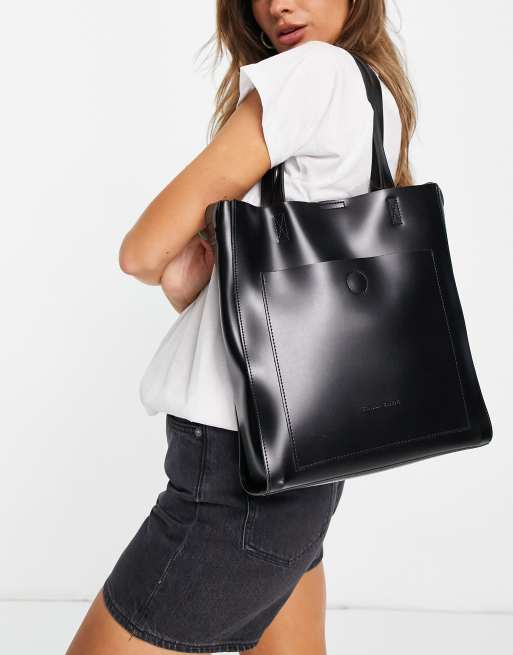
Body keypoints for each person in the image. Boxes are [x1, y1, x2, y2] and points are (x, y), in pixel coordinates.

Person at [66, 1, 416, 653]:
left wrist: (167, 262)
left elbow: (139, 252)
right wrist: (194, 280)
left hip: (235, 474)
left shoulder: (314, 72)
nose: (278, 4)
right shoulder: (377, 98)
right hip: (307, 461)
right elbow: (280, 317)